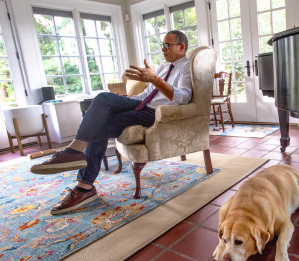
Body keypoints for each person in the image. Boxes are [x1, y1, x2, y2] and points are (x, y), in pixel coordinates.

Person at [30, 30, 192, 215]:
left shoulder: (187, 67)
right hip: (141, 104)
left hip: (156, 113)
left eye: (167, 45)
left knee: (102, 102)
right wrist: (125, 99)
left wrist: (154, 79)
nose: (163, 49)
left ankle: (74, 155)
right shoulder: (164, 67)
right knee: (104, 103)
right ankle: (85, 187)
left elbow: (184, 98)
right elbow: (147, 95)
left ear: (181, 47)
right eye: (162, 45)